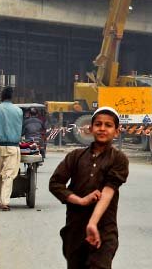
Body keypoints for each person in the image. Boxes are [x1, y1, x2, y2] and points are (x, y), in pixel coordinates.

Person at [49, 107, 129, 269]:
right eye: (98, 124)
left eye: (108, 125)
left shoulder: (119, 159)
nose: (102, 128)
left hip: (104, 229)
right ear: (90, 128)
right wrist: (79, 200)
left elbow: (108, 191)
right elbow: (55, 184)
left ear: (116, 132)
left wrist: (93, 223)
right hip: (75, 230)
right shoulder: (75, 156)